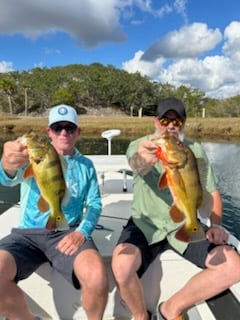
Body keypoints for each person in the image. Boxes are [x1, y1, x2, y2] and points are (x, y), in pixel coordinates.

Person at [111, 97, 240, 320]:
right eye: (165, 120)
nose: (171, 125)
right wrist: (146, 158)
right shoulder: (141, 145)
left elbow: (212, 192)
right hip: (146, 224)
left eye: (178, 121)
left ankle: (169, 309)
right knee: (121, 266)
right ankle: (141, 315)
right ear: (155, 121)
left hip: (184, 223)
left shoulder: (195, 150)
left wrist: (216, 225)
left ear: (184, 123)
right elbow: (137, 164)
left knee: (233, 266)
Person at [0, 104, 108, 320]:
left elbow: (94, 203)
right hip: (27, 234)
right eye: (57, 128)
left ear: (78, 132)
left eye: (69, 127)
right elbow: (7, 179)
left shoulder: (85, 166)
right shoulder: (32, 155)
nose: (63, 133)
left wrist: (82, 232)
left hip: (68, 231)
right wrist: (7, 165)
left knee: (97, 277)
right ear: (49, 132)